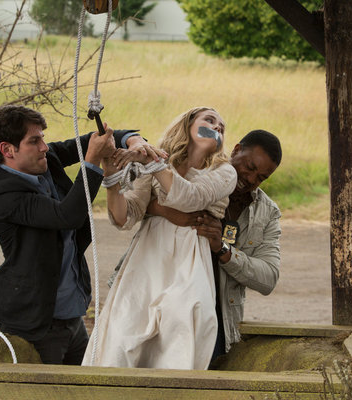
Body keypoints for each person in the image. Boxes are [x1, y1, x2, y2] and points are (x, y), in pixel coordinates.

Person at [0, 105, 161, 365]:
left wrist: (133, 140)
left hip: (71, 315)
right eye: (35, 141)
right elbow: (67, 216)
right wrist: (92, 162)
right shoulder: (4, 195)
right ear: (7, 150)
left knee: (85, 386)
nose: (44, 146)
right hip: (37, 319)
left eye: (43, 137)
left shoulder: (44, 158)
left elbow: (94, 138)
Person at [82, 106, 237, 370]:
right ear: (188, 125)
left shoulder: (224, 172)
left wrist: (150, 164)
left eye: (222, 126)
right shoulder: (156, 163)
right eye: (209, 120)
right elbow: (125, 217)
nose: (218, 127)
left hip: (189, 259)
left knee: (188, 318)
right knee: (124, 332)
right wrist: (111, 174)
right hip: (149, 256)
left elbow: (190, 198)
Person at [148, 129, 282, 363]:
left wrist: (223, 250)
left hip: (215, 322)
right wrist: (162, 210)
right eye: (249, 167)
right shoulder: (194, 177)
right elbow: (131, 209)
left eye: (261, 178)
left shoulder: (267, 212)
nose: (251, 179)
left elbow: (268, 278)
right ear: (236, 150)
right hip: (157, 303)